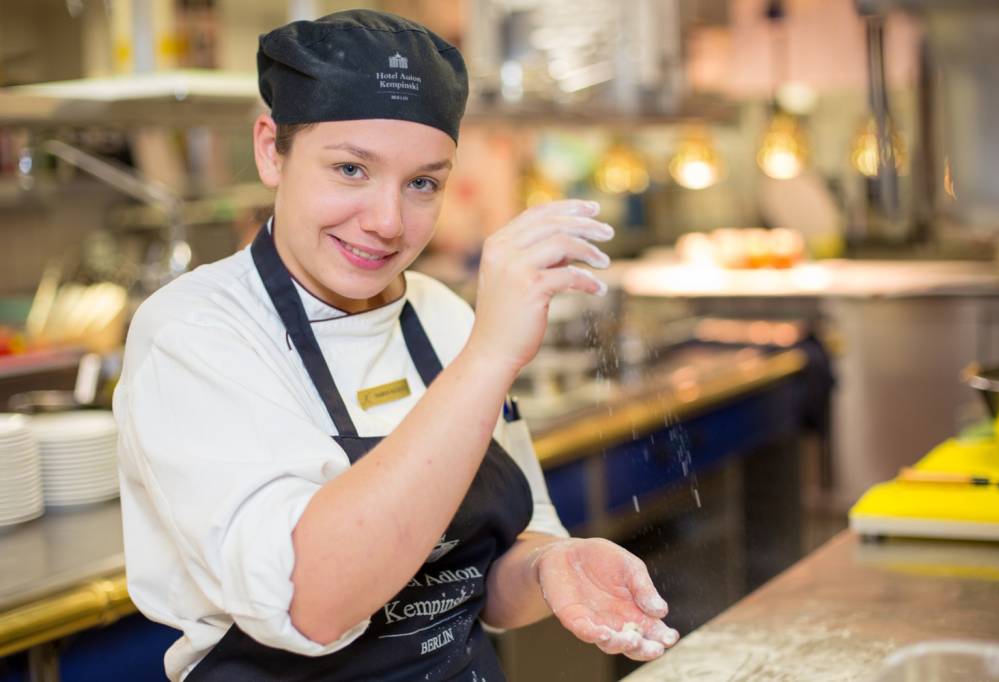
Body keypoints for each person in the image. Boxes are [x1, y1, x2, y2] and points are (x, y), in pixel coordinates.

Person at [114, 9, 678, 681]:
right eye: (351, 169)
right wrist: (489, 358)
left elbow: (495, 570)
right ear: (271, 150)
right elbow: (311, 603)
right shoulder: (196, 333)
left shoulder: (443, 316)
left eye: (422, 183)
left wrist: (550, 567)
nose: (386, 222)